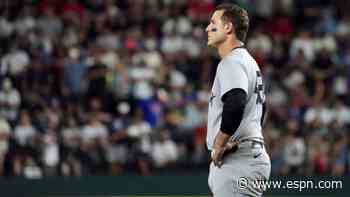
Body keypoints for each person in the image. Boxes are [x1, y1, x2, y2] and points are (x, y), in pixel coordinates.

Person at [205, 3, 271, 197]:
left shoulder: (232, 61)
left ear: (228, 27)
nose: (207, 28)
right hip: (245, 155)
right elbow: (262, 109)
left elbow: (236, 102)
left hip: (238, 160)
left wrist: (220, 143)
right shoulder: (248, 61)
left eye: (213, 23)